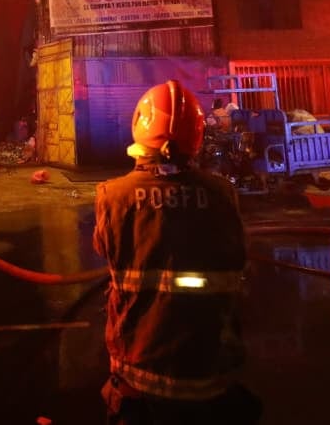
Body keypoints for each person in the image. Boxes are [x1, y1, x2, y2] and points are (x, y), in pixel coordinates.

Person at [93, 79, 261, 424]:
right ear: (196, 135)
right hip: (212, 370)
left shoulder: (113, 196)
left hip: (140, 370)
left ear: (140, 128)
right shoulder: (221, 194)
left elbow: (105, 249)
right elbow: (239, 257)